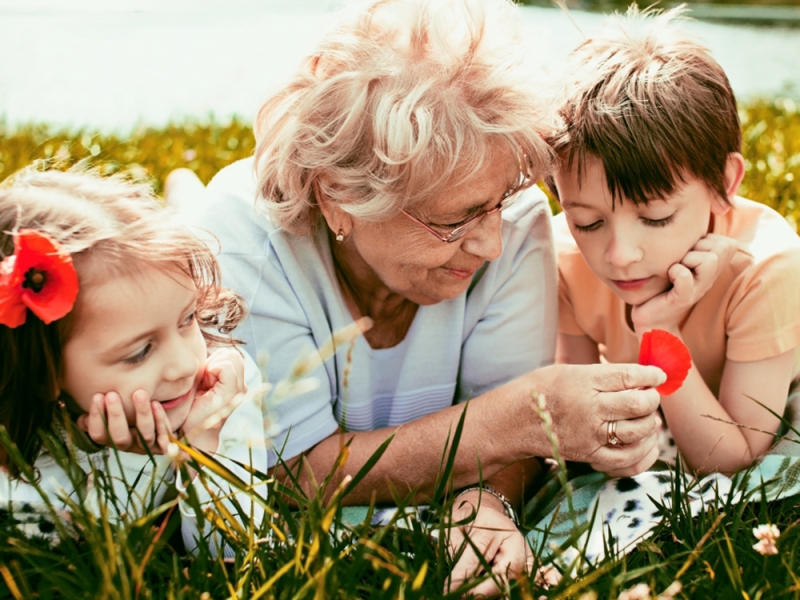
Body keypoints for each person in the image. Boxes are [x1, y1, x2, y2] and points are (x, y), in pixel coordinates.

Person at [175, 0, 666, 592]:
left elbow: (514, 452)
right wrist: (526, 412)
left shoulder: (515, 222)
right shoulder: (246, 245)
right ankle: (180, 193)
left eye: (499, 200)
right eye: (454, 220)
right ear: (338, 198)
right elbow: (285, 472)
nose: (489, 244)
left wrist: (483, 506)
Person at [548, 6, 800, 476]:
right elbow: (580, 435)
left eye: (657, 217)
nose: (620, 256)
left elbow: (732, 460)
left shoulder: (767, 270)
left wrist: (658, 330)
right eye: (587, 222)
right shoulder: (562, 257)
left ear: (724, 184)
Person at [0, 166, 267, 555]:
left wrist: (204, 447)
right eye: (140, 352)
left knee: (192, 212)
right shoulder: (20, 470)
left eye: (187, 318)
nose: (184, 366)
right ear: (43, 371)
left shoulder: (219, 386)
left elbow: (237, 555)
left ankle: (185, 191)